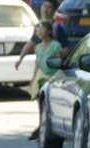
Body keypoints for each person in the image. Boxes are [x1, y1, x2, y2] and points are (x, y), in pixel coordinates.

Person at [15, 0, 69, 140]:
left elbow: (66, 49)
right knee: (41, 100)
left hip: (52, 72)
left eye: (49, 7)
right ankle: (42, 126)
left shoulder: (57, 28)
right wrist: (20, 58)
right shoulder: (38, 27)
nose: (46, 9)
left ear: (53, 10)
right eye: (44, 6)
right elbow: (31, 43)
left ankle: (46, 128)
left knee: (50, 101)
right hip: (41, 71)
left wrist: (54, 54)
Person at [24, 21, 63, 138]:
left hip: (51, 79)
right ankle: (41, 126)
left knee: (50, 105)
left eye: (42, 29)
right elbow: (38, 64)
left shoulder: (56, 45)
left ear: (49, 31)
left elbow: (59, 62)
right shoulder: (38, 47)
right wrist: (32, 80)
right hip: (40, 78)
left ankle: (45, 129)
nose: (39, 32)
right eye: (38, 30)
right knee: (41, 104)